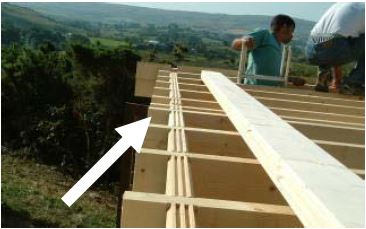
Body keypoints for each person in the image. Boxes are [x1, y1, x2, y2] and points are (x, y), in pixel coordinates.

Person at [305, 2, 365, 95]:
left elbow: (337, 35)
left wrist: (337, 79)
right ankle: (353, 83)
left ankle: (324, 72)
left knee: (333, 39)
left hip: (312, 47)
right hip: (334, 46)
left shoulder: (342, 4)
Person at [232, 14, 295, 86]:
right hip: (253, 87)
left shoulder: (280, 47)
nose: (292, 35)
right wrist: (244, 41)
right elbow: (235, 45)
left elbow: (272, 73)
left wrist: (290, 79)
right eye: (292, 31)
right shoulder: (265, 35)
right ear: (284, 27)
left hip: (271, 90)